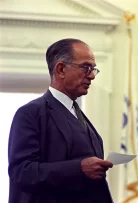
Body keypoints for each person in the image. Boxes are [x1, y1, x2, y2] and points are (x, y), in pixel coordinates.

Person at [8, 38, 114, 203]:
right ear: (61, 69)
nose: (92, 75)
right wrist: (79, 168)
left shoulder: (78, 114)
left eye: (93, 69)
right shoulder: (30, 113)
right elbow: (21, 172)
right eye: (86, 67)